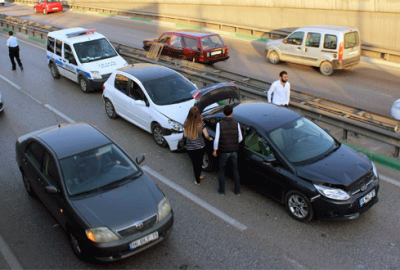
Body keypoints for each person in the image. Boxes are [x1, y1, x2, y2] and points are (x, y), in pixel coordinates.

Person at [213, 104, 243, 196]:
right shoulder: (236, 123)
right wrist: (234, 142)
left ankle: (222, 191)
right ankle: (237, 191)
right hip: (234, 151)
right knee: (235, 170)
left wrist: (215, 150)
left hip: (224, 151)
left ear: (223, 113)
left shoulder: (219, 124)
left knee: (222, 170)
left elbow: (217, 139)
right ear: (232, 113)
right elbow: (240, 138)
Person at [183, 106, 213, 186]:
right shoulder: (201, 124)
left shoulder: (186, 123)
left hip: (190, 148)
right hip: (200, 147)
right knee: (199, 163)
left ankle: (198, 178)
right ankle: (197, 179)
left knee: (195, 164)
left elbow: (185, 135)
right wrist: (210, 138)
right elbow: (206, 135)